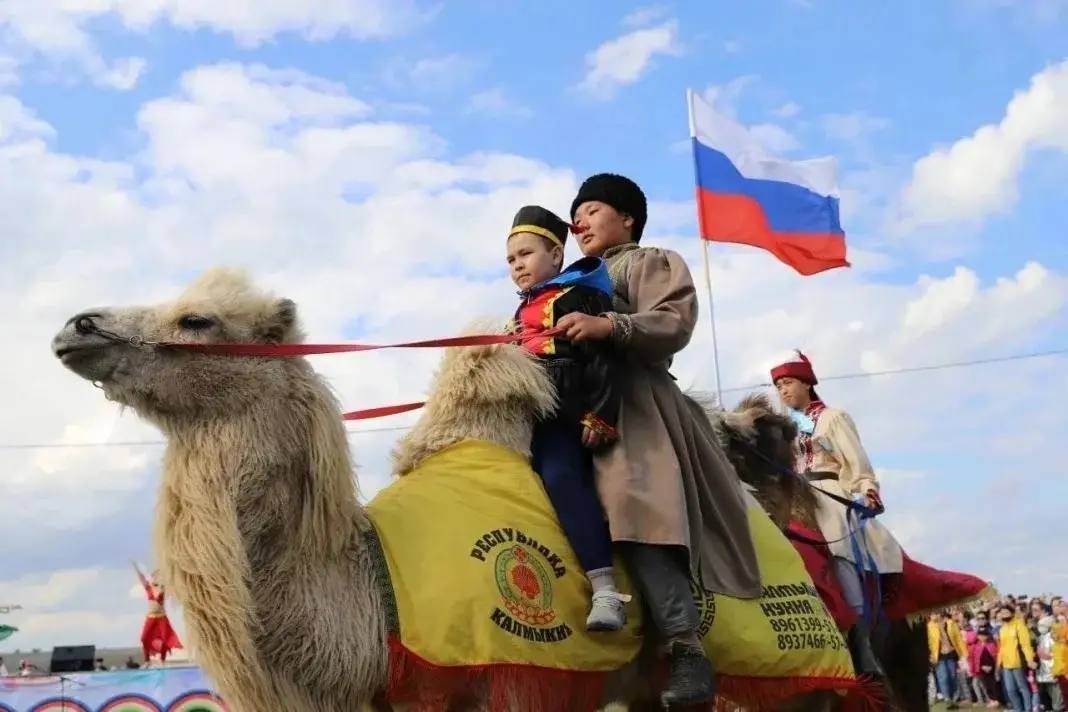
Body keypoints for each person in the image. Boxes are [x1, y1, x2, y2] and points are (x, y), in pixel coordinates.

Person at [565, 173, 760, 707]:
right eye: (575, 213)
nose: (579, 220)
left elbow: (672, 323)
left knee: (634, 504)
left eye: (593, 209)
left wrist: (608, 326)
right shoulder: (563, 280)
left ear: (627, 218)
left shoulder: (650, 261)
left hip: (635, 409)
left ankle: (685, 647)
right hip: (568, 408)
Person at [505, 205, 628, 631]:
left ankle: (605, 588)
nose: (517, 265)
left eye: (525, 254)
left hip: (564, 420)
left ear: (556, 256)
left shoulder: (577, 296)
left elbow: (605, 361)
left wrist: (601, 415)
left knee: (559, 476)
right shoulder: (519, 314)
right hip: (524, 423)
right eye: (511, 259)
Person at [770, 351, 903, 677]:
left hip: (829, 494)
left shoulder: (833, 418)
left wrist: (867, 489)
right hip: (794, 496)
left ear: (807, 383)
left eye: (787, 383)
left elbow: (856, 461)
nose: (782, 391)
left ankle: (861, 641)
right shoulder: (785, 428)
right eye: (778, 386)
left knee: (838, 550)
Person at [133, 561, 182, 664]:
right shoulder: (149, 588)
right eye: (155, 576)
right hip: (150, 617)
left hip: (161, 617)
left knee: (165, 639)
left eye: (158, 576)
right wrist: (136, 567)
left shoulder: (163, 589)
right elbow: (141, 577)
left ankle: (162, 660)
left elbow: (171, 581)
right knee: (144, 638)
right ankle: (147, 660)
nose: (156, 577)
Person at [998, 604, 1037, 711]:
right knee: (1010, 690)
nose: (1004, 615)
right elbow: (1002, 647)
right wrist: (999, 663)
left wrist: (1029, 659)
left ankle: (1028, 709)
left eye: (1006, 612)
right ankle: (1018, 709)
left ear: (1012, 613)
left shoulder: (1019, 625)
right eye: (1002, 613)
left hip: (1018, 662)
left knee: (1023, 688)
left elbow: (1025, 644)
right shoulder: (1002, 628)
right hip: (1006, 664)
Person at [929, 610, 969, 709]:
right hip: (938, 656)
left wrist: (964, 652)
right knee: (943, 677)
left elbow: (958, 639)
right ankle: (947, 699)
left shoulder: (951, 623)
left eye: (935, 613)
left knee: (952, 676)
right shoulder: (929, 626)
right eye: (932, 614)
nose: (934, 615)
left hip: (951, 653)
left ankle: (953, 697)